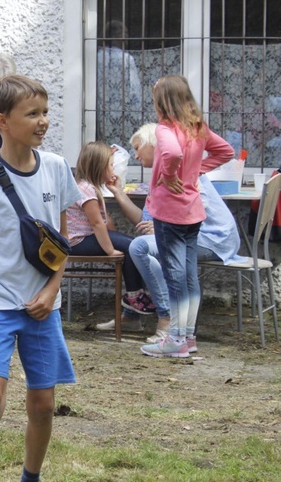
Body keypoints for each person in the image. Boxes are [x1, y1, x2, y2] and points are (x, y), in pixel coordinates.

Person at [0, 75, 80, 482]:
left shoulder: (56, 168)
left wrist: (51, 290)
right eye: (32, 114)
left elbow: (62, 242)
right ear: (2, 121)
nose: (42, 121)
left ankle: (31, 476)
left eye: (45, 113)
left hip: (43, 308)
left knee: (42, 403)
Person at [99, 123, 247, 346]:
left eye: (138, 148)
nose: (136, 155)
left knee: (139, 247)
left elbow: (193, 213)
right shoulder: (159, 175)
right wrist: (118, 193)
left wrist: (160, 225)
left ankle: (167, 318)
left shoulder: (183, 171)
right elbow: (144, 221)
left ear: (154, 145)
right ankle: (137, 316)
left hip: (212, 240)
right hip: (189, 236)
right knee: (139, 247)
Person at [140, 75, 233, 358]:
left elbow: (171, 153)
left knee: (175, 276)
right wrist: (197, 171)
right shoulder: (197, 128)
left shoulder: (165, 129)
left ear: (162, 102)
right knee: (189, 276)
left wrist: (170, 175)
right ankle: (188, 337)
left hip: (170, 211)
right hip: (193, 211)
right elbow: (225, 151)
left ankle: (176, 339)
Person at [67, 140, 156, 316]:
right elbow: (96, 224)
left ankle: (135, 295)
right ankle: (134, 296)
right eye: (111, 166)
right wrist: (110, 250)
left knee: (132, 245)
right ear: (99, 167)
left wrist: (115, 239)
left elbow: (104, 222)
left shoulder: (91, 187)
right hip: (78, 241)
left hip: (85, 238)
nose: (114, 170)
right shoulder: (85, 190)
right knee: (133, 246)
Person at [96, 20, 142, 146]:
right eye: (125, 33)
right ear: (116, 36)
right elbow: (134, 90)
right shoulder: (127, 59)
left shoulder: (98, 56)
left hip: (102, 112)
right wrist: (138, 115)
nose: (127, 37)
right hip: (124, 113)